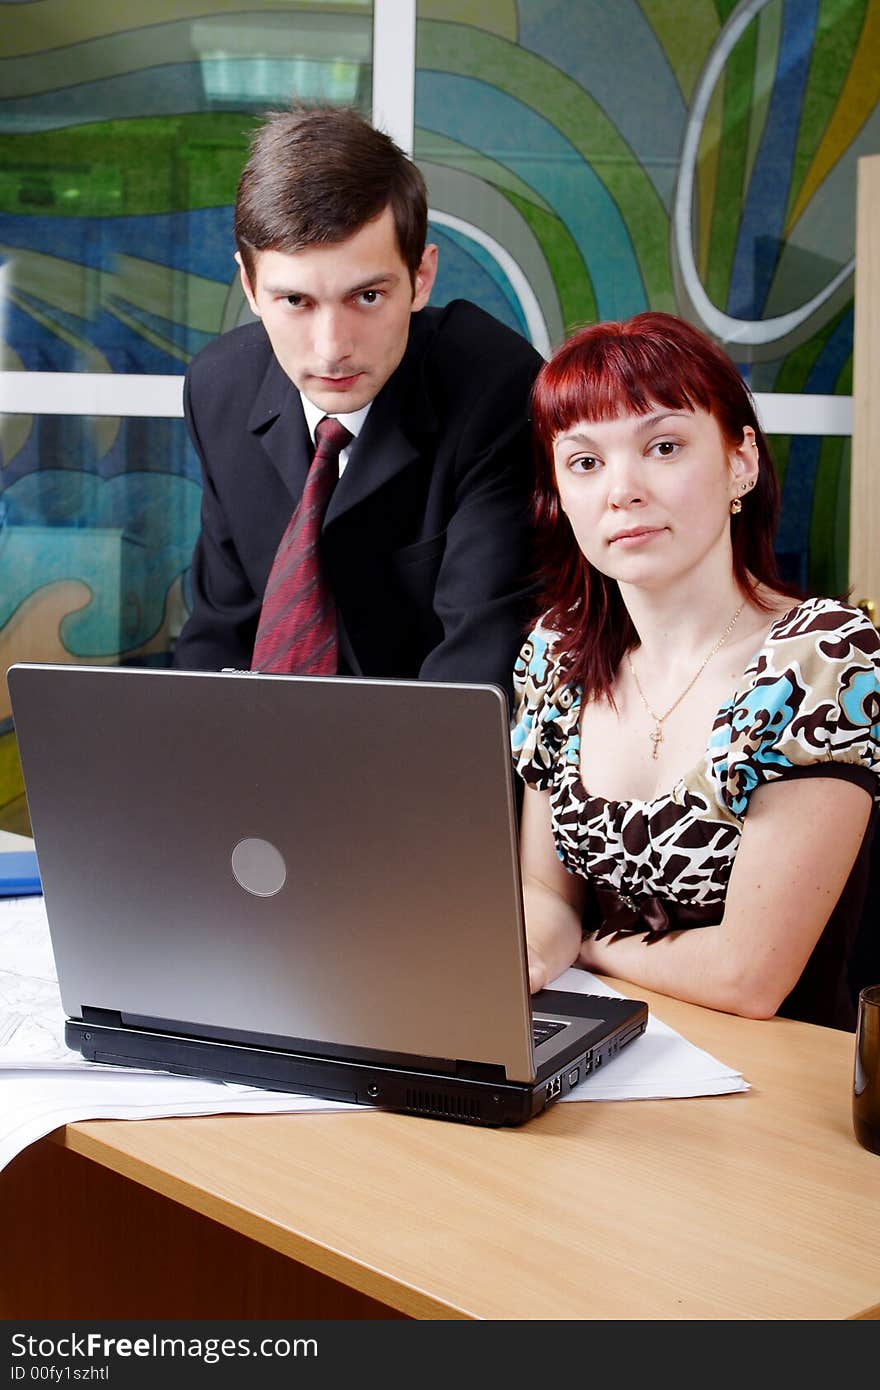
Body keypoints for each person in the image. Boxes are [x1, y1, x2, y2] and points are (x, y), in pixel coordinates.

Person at [512, 311, 879, 1028]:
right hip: (615, 1055)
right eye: (585, 462)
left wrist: (590, 950)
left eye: (665, 446)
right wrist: (524, 960)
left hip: (782, 1084)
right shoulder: (557, 653)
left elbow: (749, 977)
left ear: (740, 461)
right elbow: (542, 889)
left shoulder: (823, 656)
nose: (623, 490)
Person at [172, 103, 544, 695]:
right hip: (257, 759)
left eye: (367, 296)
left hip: (424, 761)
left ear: (421, 279)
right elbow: (220, 630)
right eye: (295, 301)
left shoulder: (493, 387)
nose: (331, 349)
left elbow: (478, 665)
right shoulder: (220, 388)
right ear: (249, 286)